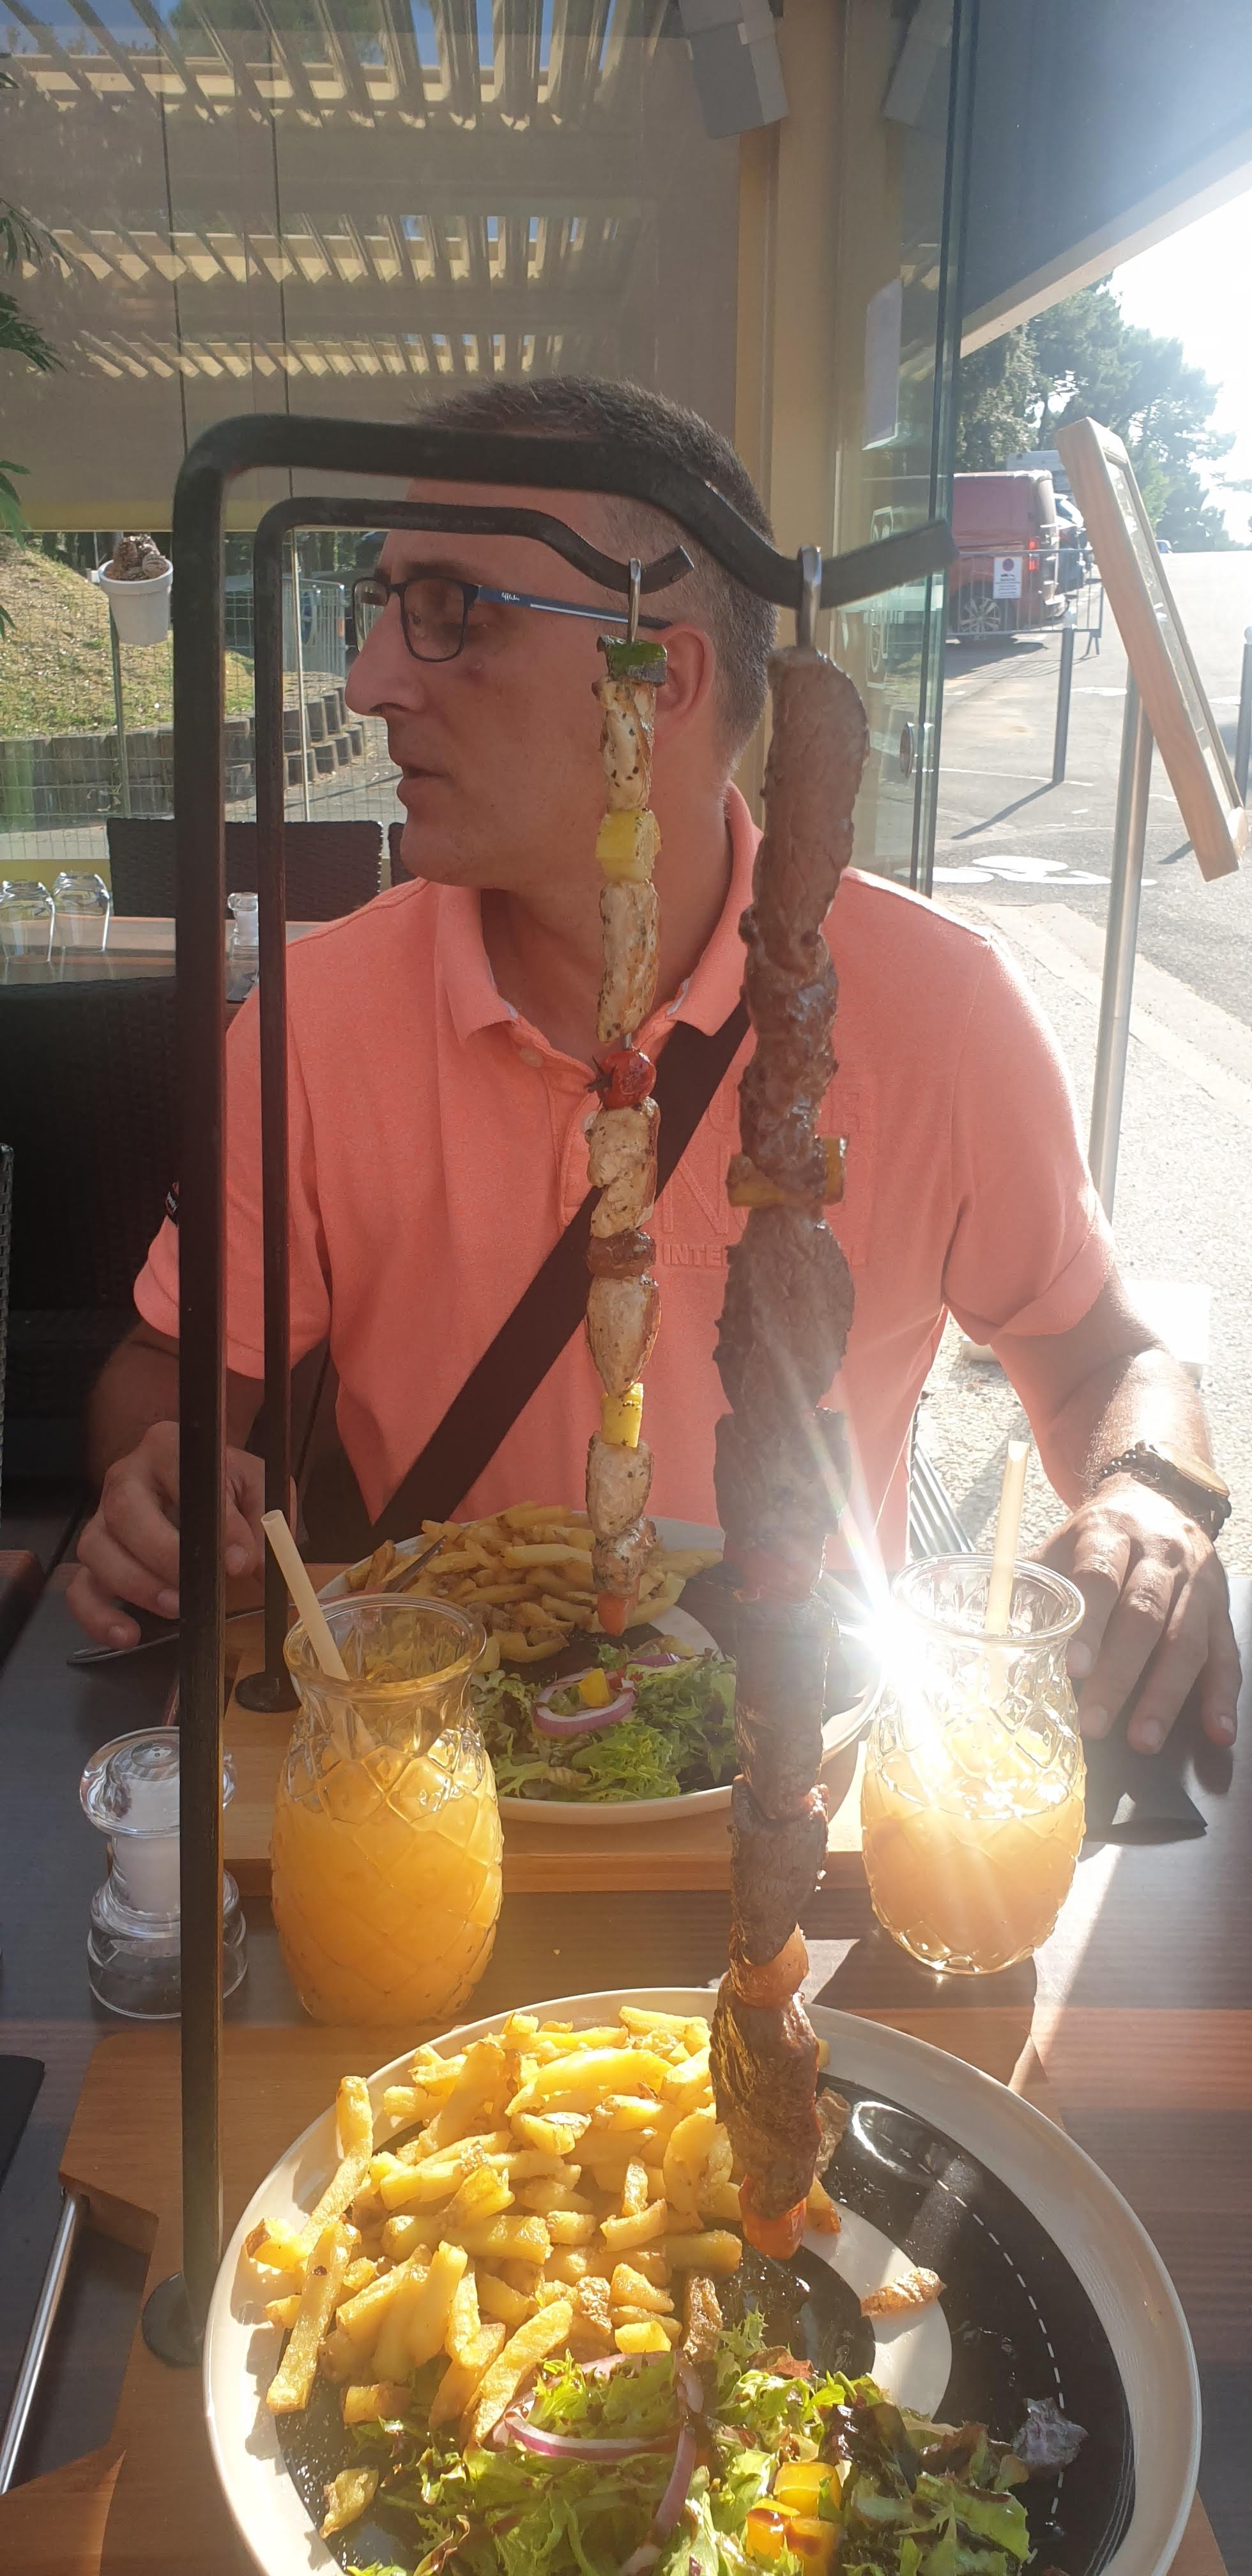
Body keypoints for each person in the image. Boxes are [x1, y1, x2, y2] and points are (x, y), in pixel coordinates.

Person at [68, 378, 1240, 1758]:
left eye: (449, 612)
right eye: (381, 606)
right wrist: (158, 1479)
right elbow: (170, 1369)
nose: (369, 681)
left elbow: (1102, 1355)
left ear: (658, 682)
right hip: (431, 1763)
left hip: (807, 1760)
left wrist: (1147, 1495)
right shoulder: (311, 1022)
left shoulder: (942, 1008)